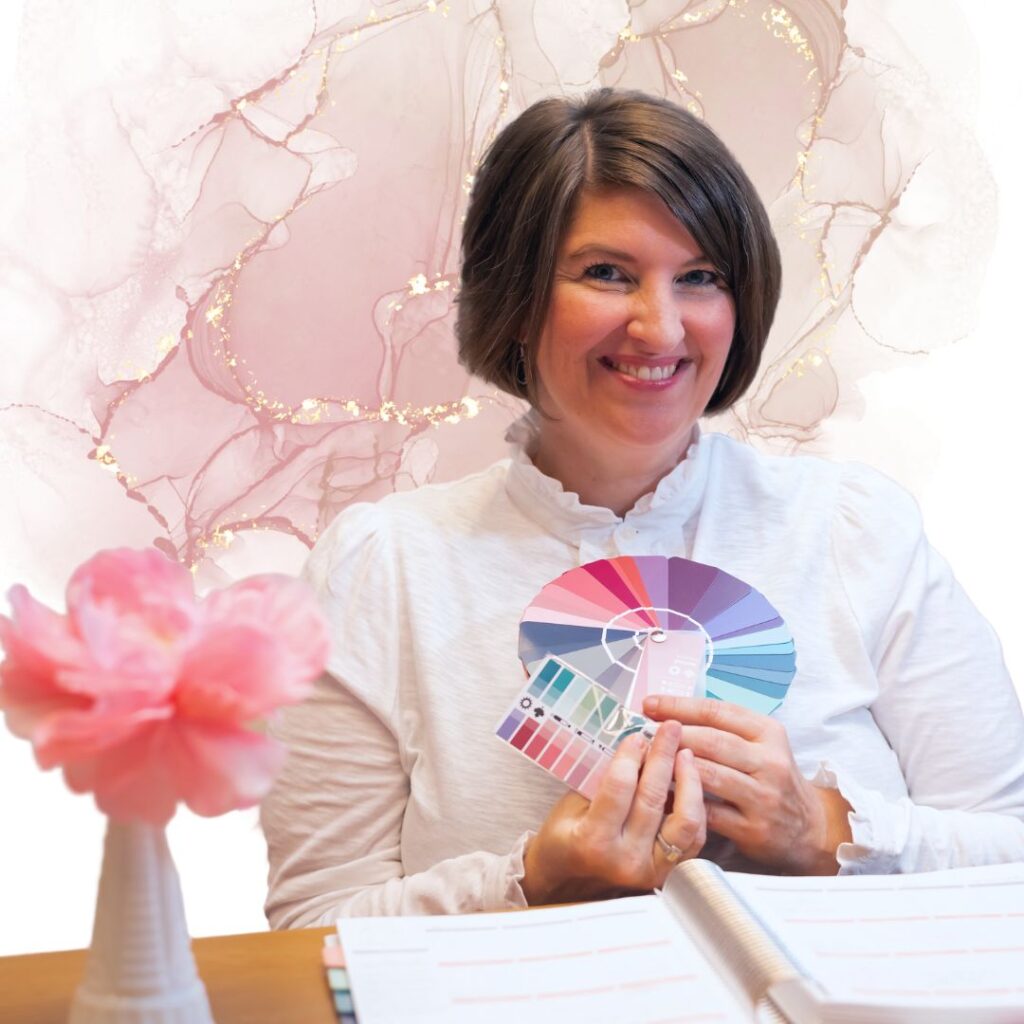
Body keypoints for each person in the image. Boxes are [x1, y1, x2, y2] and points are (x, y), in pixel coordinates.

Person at [261, 88, 1024, 927]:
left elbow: (1011, 849)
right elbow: (313, 926)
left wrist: (824, 833)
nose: (660, 330)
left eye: (700, 278)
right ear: (514, 297)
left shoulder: (856, 529)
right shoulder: (383, 568)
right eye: (607, 274)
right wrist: (530, 880)